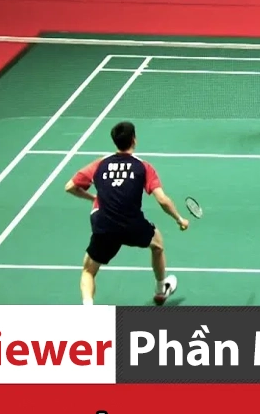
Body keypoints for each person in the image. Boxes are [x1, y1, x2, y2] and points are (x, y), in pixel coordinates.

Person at [64, 121, 190, 306]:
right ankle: (160, 289)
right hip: (132, 225)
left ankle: (88, 309)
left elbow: (70, 187)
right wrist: (179, 219)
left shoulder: (100, 164)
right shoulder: (143, 166)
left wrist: (93, 198)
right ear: (134, 140)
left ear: (115, 141)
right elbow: (162, 200)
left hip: (104, 225)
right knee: (157, 245)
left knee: (88, 271)